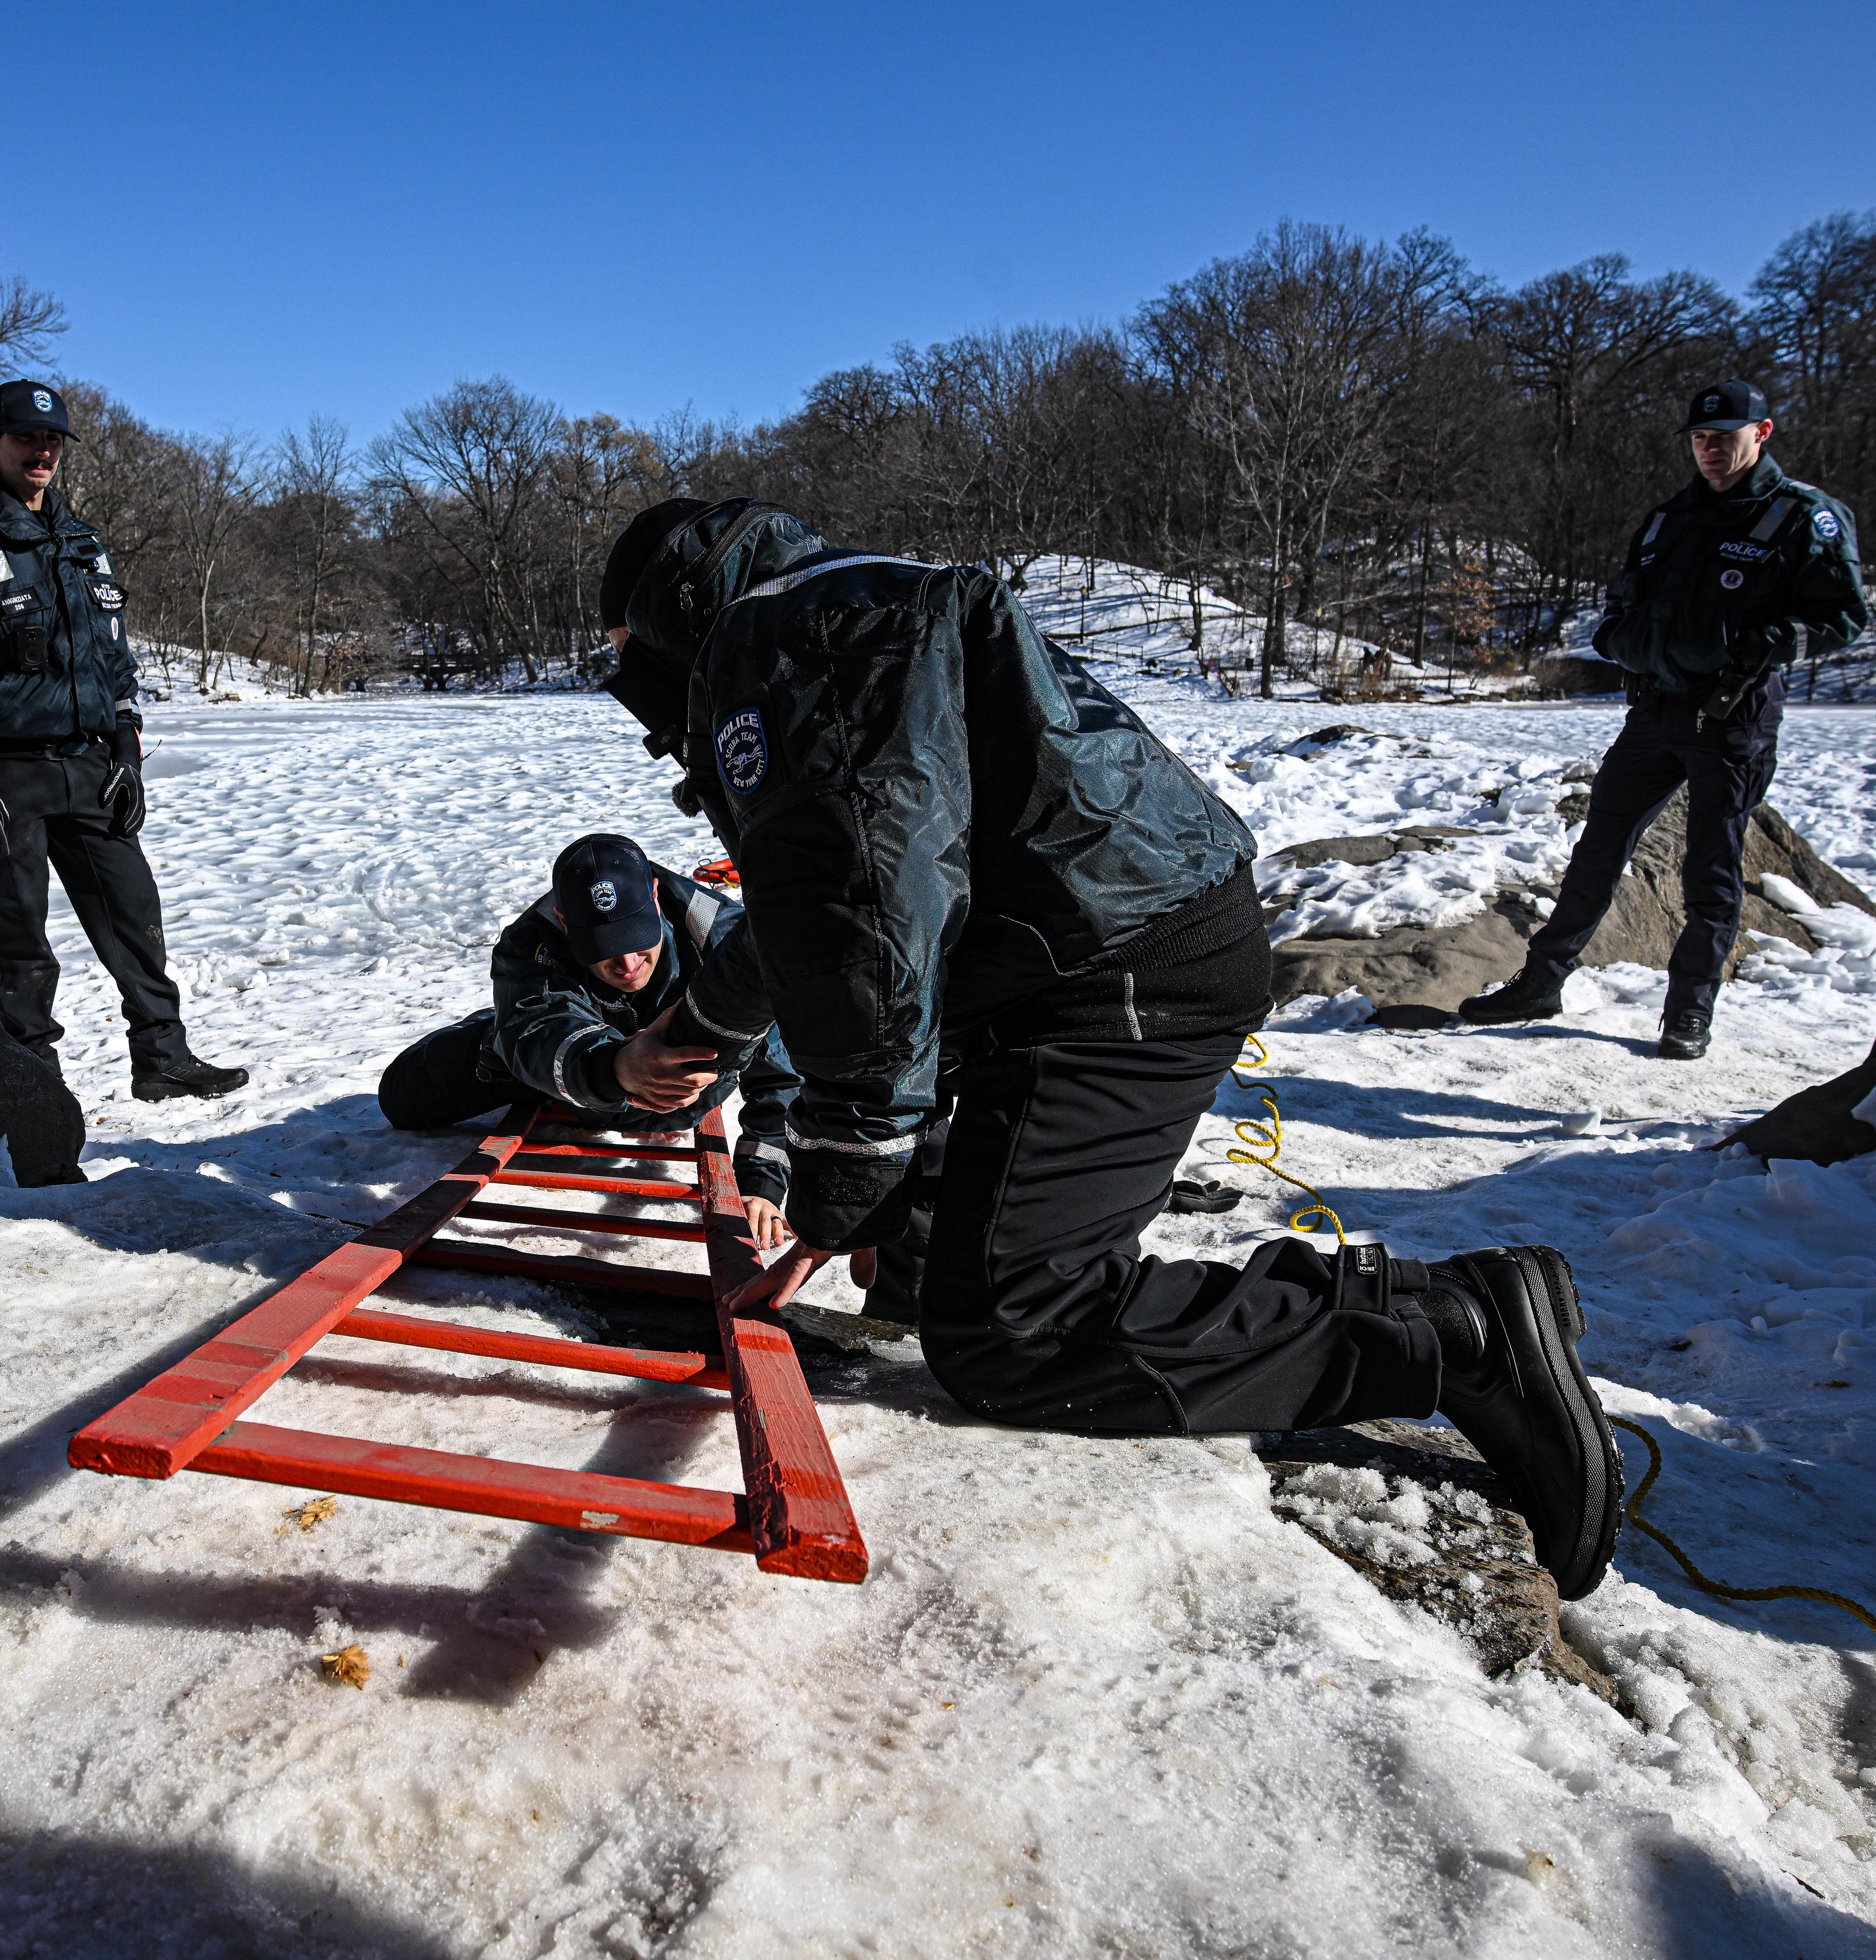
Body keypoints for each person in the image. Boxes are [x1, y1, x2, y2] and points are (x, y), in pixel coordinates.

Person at [595, 496, 1623, 1599]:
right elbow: (813, 900)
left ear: (664, 610)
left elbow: (860, 905)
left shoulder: (778, 640)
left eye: (625, 653)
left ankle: (1453, 1330)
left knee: (1009, 1331)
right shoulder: (837, 603)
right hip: (1086, 950)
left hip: (1111, 970)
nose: (639, 688)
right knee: (925, 1271)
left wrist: (853, 1151)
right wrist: (695, 1030)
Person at [1459, 379, 1868, 1059]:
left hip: (1733, 715)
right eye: (1700, 438)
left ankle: (1689, 1011)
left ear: (1762, 433)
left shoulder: (1802, 517)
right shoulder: (1668, 518)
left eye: (1724, 437)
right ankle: (1540, 983)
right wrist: (1619, 638)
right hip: (1654, 711)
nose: (1710, 449)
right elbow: (1622, 602)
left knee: (1711, 869)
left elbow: (1844, 617)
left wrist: (1757, 645)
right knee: (1597, 851)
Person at [0, 380, 247, 1102]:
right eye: (26, 438)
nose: (41, 451)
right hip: (3, 774)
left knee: (134, 915)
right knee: (21, 936)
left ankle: (162, 1056)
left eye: (52, 440)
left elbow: (112, 656)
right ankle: (35, 1088)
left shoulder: (82, 543)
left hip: (88, 765)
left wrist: (127, 747)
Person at [377, 832, 800, 1247]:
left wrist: (762, 1184)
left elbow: (781, 1072)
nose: (628, 964)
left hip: (667, 1094)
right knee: (405, 1098)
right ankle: (501, 1033)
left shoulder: (727, 937)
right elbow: (539, 1029)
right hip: (560, 1069)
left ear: (654, 897)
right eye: (605, 947)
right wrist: (615, 1068)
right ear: (565, 921)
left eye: (637, 939)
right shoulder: (532, 943)